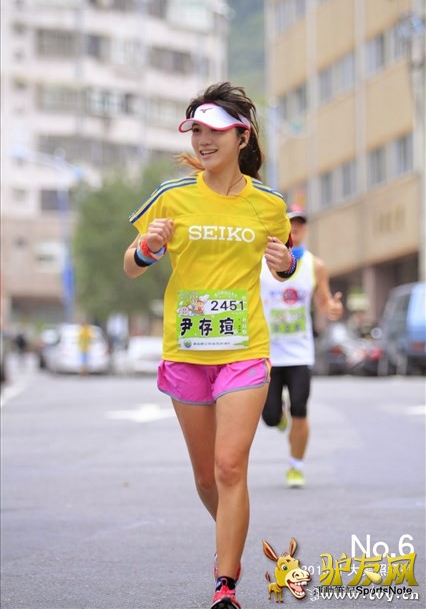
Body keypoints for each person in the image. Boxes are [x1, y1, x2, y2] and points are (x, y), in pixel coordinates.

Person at [123, 82, 296, 609]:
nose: (203, 140)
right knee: (206, 477)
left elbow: (285, 260)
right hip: (186, 352)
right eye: (196, 130)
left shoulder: (268, 204)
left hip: (244, 349)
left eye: (215, 131)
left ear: (242, 137)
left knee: (229, 467)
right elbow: (130, 265)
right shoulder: (172, 196)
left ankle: (226, 583)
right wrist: (150, 247)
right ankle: (232, 533)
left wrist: (285, 264)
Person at [260, 204, 344, 488]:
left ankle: (296, 466)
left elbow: (323, 301)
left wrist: (331, 308)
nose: (295, 228)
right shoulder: (260, 260)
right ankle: (278, 418)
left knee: (300, 409)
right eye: (290, 223)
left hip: (299, 352)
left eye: (300, 224)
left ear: (305, 229)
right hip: (267, 352)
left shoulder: (314, 265)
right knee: (270, 416)